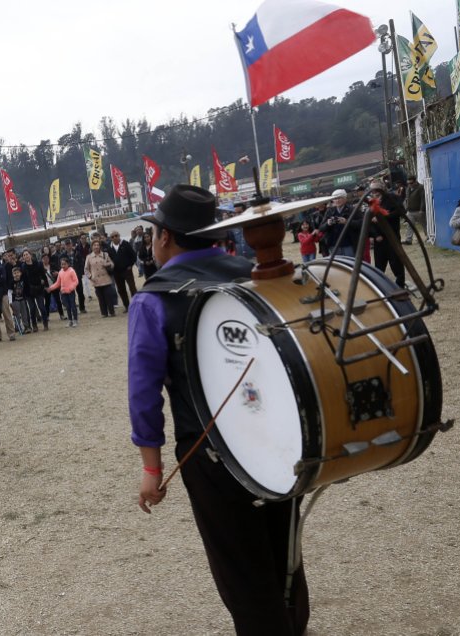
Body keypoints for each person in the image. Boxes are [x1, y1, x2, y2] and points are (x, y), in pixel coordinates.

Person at [129, 184, 308, 635]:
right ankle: (294, 624)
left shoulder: (153, 298)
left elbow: (143, 391)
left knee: (240, 568)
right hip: (281, 436)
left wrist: (152, 468)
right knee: (283, 547)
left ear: (165, 237)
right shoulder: (254, 273)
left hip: (211, 456)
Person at [366, 182, 407, 288]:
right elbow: (369, 221)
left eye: (376, 189)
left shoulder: (392, 198)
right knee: (379, 263)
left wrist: (383, 217)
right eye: (372, 190)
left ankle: (400, 284)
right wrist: (375, 235)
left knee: (396, 261)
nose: (374, 192)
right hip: (379, 238)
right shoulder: (371, 202)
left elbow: (401, 211)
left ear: (382, 188)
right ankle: (380, 286)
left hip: (392, 234)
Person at [319, 189, 364, 258]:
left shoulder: (353, 209)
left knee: (350, 265)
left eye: (339, 198)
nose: (337, 200)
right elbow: (321, 228)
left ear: (345, 198)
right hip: (333, 245)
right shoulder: (330, 211)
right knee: (337, 266)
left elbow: (361, 223)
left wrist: (347, 222)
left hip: (349, 244)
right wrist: (328, 224)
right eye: (335, 199)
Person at [105, 231, 138, 310]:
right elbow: (109, 260)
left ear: (119, 236)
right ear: (111, 238)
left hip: (127, 270)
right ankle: (127, 306)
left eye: (116, 236)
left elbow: (133, 256)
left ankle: (136, 304)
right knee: (121, 290)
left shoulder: (125, 244)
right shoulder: (110, 248)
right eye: (112, 237)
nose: (115, 238)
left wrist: (130, 265)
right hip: (117, 272)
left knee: (132, 288)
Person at [84, 239, 116, 317]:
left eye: (98, 245)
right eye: (94, 245)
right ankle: (104, 313)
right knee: (101, 298)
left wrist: (107, 264)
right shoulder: (89, 257)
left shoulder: (105, 254)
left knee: (108, 296)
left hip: (106, 279)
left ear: (100, 247)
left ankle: (111, 312)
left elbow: (112, 264)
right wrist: (90, 277)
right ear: (92, 247)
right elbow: (86, 269)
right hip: (96, 280)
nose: (96, 247)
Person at [47, 257, 80, 327]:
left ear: (68, 264)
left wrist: (71, 287)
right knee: (67, 307)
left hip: (71, 292)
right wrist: (50, 288)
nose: (63, 266)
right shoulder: (60, 272)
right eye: (62, 264)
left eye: (64, 264)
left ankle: (75, 320)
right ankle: (70, 320)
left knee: (73, 306)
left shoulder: (71, 271)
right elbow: (57, 283)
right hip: (64, 293)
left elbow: (76, 281)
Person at [403, 175, 426, 245]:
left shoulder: (421, 187)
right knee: (410, 225)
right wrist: (406, 208)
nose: (410, 184)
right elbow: (406, 199)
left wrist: (422, 209)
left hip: (419, 210)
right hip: (410, 211)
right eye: (408, 183)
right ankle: (408, 240)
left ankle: (429, 236)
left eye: (411, 183)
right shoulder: (407, 188)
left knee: (424, 224)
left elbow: (423, 199)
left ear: (415, 181)